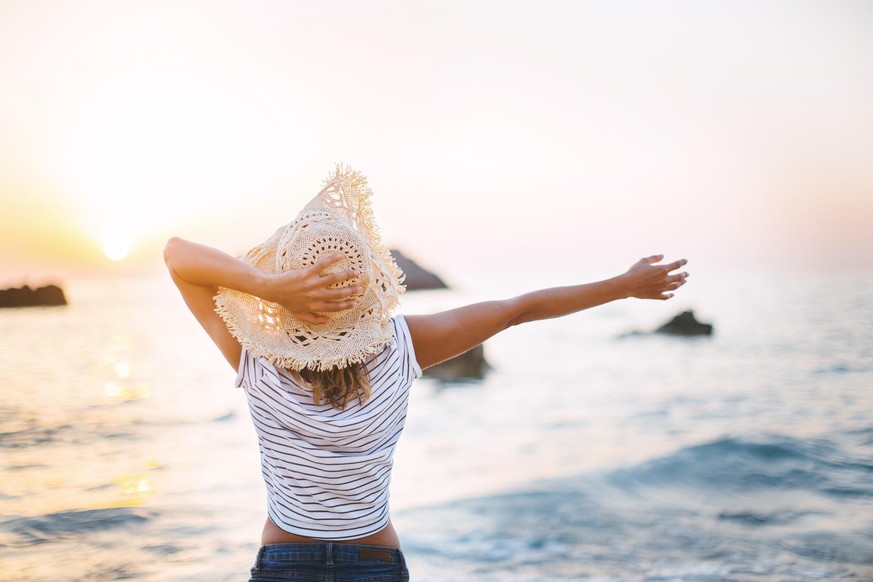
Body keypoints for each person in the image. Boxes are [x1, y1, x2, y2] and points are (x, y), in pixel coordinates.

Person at [164, 165, 689, 581]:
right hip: (375, 563)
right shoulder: (404, 346)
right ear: (368, 286)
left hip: (283, 564)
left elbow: (178, 255)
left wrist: (269, 287)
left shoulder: (254, 358)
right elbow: (518, 307)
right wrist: (623, 285)